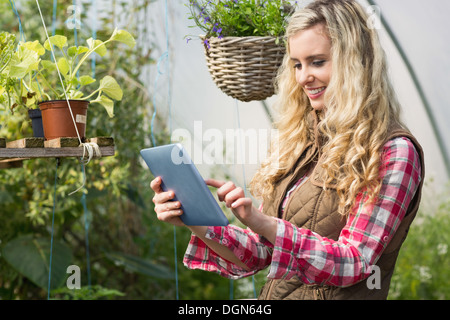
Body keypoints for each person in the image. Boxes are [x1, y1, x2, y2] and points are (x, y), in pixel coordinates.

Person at [150, 0, 424, 300]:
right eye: (297, 64)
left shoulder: (392, 151)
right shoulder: (302, 140)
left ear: (355, 62)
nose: (303, 77)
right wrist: (198, 219)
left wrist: (264, 223)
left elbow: (353, 263)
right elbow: (259, 253)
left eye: (317, 61)